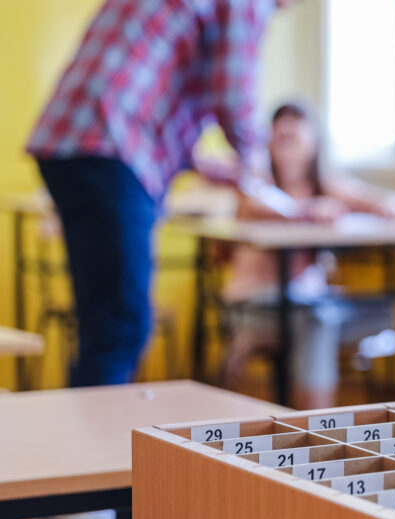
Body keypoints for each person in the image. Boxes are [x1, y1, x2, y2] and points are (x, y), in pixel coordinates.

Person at [26, 0, 296, 388]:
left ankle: (83, 438)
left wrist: (208, 165)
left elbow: (146, 85)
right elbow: (235, 97)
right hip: (109, 147)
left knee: (104, 323)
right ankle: (95, 446)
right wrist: (260, 176)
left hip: (70, 142)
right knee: (121, 326)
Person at [221, 102, 395, 409]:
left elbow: (392, 204)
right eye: (279, 137)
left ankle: (310, 419)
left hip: (312, 302)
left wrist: (369, 205)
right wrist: (305, 212)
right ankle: (314, 428)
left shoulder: (327, 185)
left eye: (294, 138)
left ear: (314, 143)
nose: (286, 145)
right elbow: (254, 203)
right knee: (317, 323)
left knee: (384, 312)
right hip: (256, 304)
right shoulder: (256, 182)